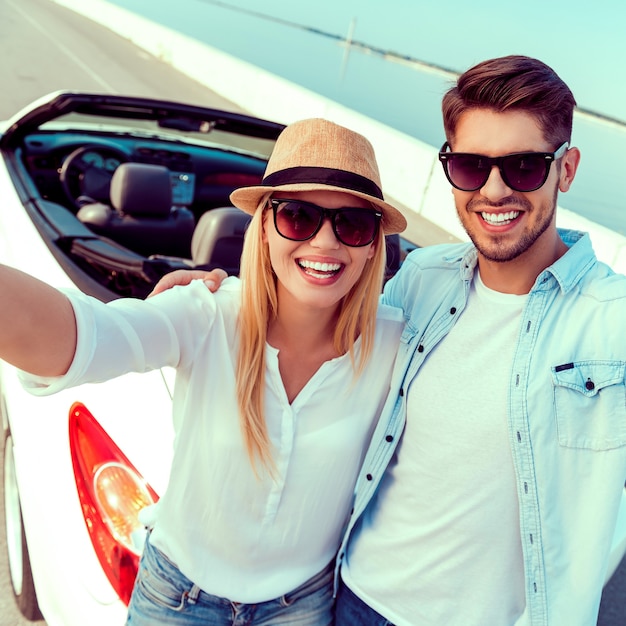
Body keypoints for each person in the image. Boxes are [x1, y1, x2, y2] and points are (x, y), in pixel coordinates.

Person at [166, 56, 626, 625]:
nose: (494, 189)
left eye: (525, 166)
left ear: (568, 168)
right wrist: (222, 300)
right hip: (353, 601)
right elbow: (323, 323)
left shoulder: (612, 323)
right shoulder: (423, 279)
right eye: (470, 166)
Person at [0, 118, 408, 625]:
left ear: (373, 245)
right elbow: (81, 335)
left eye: (352, 224)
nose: (325, 243)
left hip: (300, 608)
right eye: (299, 217)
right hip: (176, 600)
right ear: (262, 227)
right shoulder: (204, 312)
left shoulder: (397, 345)